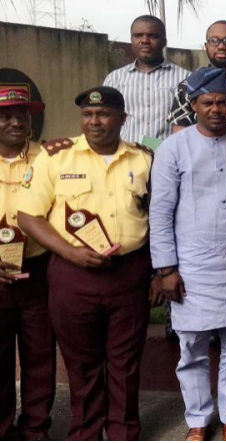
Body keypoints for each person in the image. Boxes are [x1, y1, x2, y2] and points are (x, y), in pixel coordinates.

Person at [18, 86, 160, 440]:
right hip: (73, 275)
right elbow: (28, 216)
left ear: (122, 119)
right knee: (81, 361)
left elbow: (160, 215)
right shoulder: (56, 157)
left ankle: (123, 431)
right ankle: (85, 431)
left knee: (125, 361)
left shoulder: (144, 159)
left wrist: (159, 271)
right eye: (87, 115)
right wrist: (68, 252)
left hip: (129, 273)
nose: (94, 121)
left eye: (104, 114)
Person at [150, 67, 226, 442]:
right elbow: (160, 210)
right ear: (194, 104)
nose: (216, 108)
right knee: (192, 349)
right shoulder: (173, 149)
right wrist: (165, 268)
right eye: (208, 102)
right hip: (191, 267)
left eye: (223, 102)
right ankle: (198, 420)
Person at [0, 71, 55, 441]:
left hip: (38, 269)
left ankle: (35, 428)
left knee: (40, 356)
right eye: (6, 115)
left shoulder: (50, 157)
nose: (17, 121)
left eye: (23, 114)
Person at [103, 15, 189, 143]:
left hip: (169, 158)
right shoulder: (115, 79)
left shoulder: (185, 78)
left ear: (164, 42)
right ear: (131, 39)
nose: (145, 40)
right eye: (138, 35)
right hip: (127, 157)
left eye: (152, 36)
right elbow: (105, 119)